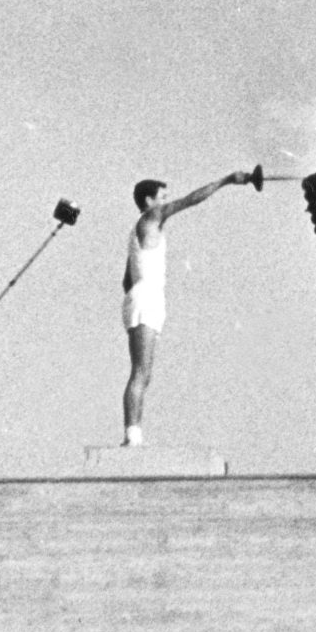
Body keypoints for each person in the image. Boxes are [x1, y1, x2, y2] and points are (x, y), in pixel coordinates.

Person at [117, 170, 254, 447]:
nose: (166, 202)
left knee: (144, 373)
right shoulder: (151, 218)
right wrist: (227, 181)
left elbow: (125, 280)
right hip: (146, 297)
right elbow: (191, 200)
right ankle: (133, 436)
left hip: (143, 295)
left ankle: (134, 434)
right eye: (162, 197)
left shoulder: (140, 231)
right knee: (141, 372)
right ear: (148, 200)